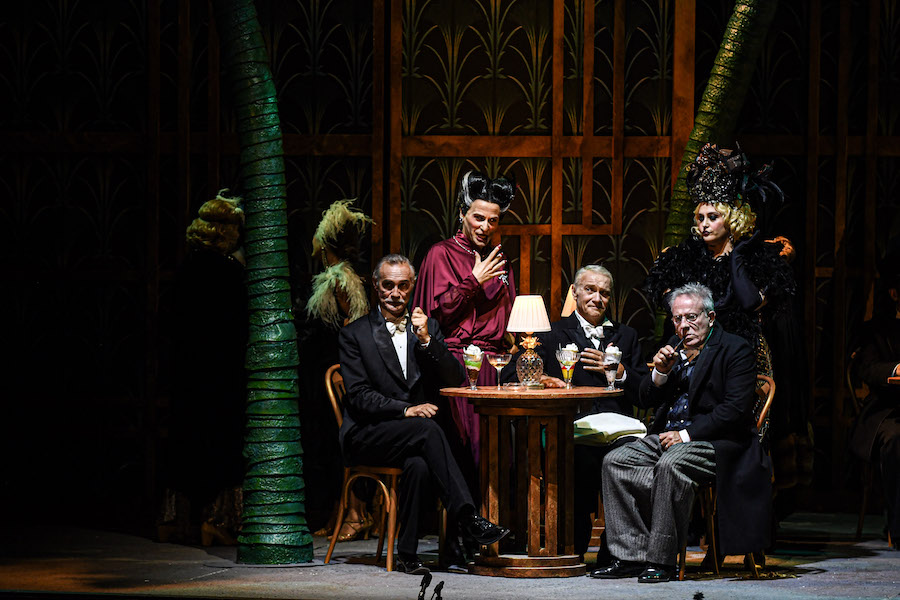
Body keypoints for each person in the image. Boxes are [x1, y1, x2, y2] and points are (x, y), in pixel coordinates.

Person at [338, 253, 510, 574]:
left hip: (412, 437)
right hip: (368, 433)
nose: (395, 293)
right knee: (429, 430)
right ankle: (468, 517)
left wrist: (428, 341)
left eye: (403, 286)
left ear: (413, 286)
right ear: (376, 286)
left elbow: (455, 378)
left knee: (418, 464)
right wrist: (406, 409)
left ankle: (407, 554)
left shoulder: (427, 327)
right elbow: (359, 397)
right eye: (388, 285)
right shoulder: (355, 334)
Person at [642, 142, 804, 482]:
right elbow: (671, 304)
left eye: (712, 217)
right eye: (699, 218)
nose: (703, 225)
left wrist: (738, 256)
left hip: (741, 354)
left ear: (732, 218)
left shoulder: (756, 258)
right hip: (695, 352)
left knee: (735, 421)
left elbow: (748, 302)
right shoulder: (685, 259)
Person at [592, 283, 771, 583]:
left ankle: (662, 561)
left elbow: (734, 410)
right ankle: (630, 556)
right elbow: (645, 398)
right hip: (669, 438)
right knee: (616, 461)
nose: (683, 325)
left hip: (718, 442)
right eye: (677, 318)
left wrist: (686, 435)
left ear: (710, 318)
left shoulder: (735, 348)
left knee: (670, 464)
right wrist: (660, 373)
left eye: (691, 317)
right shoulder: (675, 348)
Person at [499, 264, 649, 556]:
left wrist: (619, 372)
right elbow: (509, 374)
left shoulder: (627, 335)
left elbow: (644, 394)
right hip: (571, 429)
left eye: (604, 293)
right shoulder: (552, 333)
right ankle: (572, 546)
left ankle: (617, 552)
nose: (597, 298)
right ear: (575, 292)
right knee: (577, 460)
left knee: (631, 458)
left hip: (619, 431)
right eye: (590, 290)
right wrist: (541, 379)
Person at [413, 171, 517, 477]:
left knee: (500, 458)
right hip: (455, 368)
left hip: (494, 368)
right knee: (466, 455)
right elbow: (435, 316)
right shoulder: (440, 254)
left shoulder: (500, 260)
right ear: (462, 214)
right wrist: (473, 281)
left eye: (493, 221)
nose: (485, 227)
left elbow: (509, 315)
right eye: (478, 218)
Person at [164, 191, 248, 546]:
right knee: (221, 443)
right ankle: (217, 520)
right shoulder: (229, 271)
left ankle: (179, 521)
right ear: (224, 232)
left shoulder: (186, 267)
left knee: (188, 440)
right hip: (221, 372)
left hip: (187, 371)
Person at [299, 199, 373, 541]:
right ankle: (339, 512)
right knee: (330, 446)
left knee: (339, 445)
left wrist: (346, 367)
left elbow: (352, 325)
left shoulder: (339, 278)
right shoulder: (336, 276)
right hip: (325, 370)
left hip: (335, 372)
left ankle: (356, 514)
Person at [849, 262, 900, 549]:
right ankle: (897, 525)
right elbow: (866, 368)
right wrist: (896, 369)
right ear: (895, 293)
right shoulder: (876, 329)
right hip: (888, 409)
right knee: (896, 439)